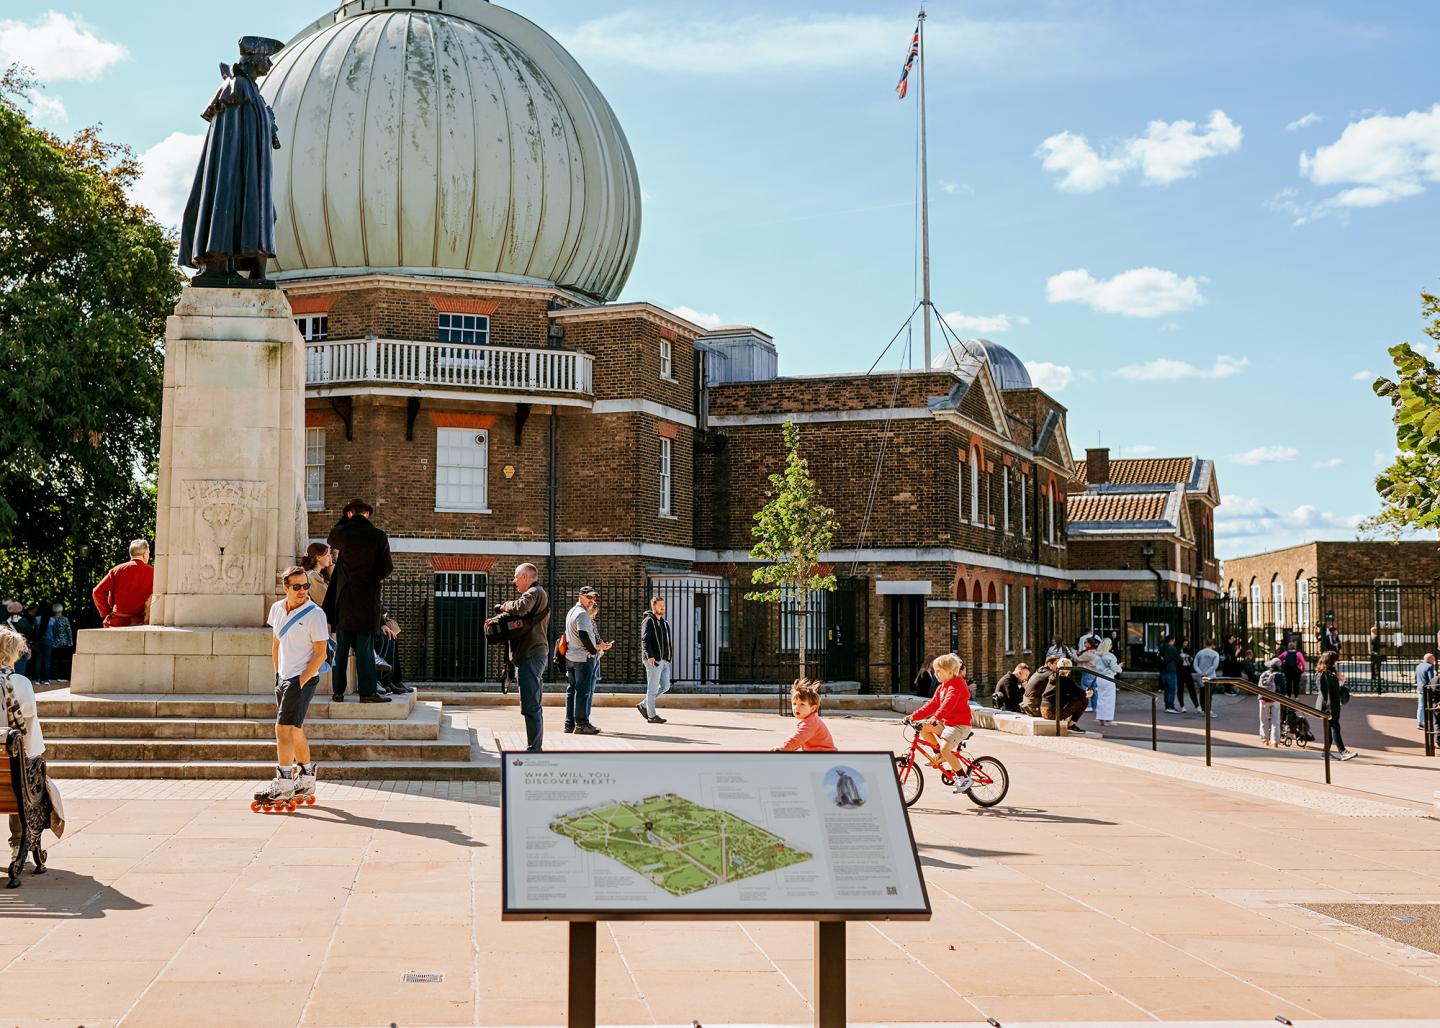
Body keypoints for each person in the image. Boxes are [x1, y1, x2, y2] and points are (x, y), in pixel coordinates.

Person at [253, 566, 331, 808]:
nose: (302, 591)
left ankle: (284, 781)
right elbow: (276, 644)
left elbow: (321, 653)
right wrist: (278, 675)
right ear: (285, 587)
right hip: (284, 677)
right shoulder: (277, 609)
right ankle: (306, 776)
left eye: (305, 586)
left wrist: (300, 680)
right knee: (294, 729)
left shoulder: (315, 614)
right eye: (297, 587)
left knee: (281, 728)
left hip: (302, 678)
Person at [1, 625, 62, 886]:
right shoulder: (20, 684)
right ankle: (20, 847)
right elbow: (30, 732)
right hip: (12, 770)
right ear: (12, 654)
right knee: (27, 781)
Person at [324, 499, 393, 704]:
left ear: (349, 515)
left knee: (341, 650)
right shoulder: (378, 536)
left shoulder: (343, 534)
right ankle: (367, 692)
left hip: (345, 601)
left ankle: (338, 692)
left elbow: (332, 537)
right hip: (366, 599)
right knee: (365, 650)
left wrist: (345, 520)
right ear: (367, 514)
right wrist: (372, 577)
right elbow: (386, 568)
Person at [497, 563, 550, 751]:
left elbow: (520, 607)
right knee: (531, 703)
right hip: (532, 654)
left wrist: (503, 606)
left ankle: (534, 749)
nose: (514, 581)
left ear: (526, 576)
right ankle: (534, 747)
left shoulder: (534, 592)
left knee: (531, 705)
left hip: (531, 655)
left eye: (516, 577)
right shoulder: (538, 593)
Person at [904, 653, 973, 792]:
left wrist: (936, 717)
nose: (936, 674)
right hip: (947, 724)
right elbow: (931, 705)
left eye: (939, 671)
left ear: (949, 672)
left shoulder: (957, 685)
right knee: (923, 727)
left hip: (959, 725)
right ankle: (939, 755)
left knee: (945, 749)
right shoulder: (942, 687)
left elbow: (948, 704)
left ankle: (963, 778)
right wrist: (913, 717)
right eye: (935, 671)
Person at [563, 587, 610, 735]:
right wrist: (592, 650)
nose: (592, 600)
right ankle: (581, 724)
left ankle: (569, 724)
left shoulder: (572, 611)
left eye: (594, 598)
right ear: (581, 596)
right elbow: (583, 634)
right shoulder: (582, 614)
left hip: (571, 657)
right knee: (583, 692)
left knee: (572, 690)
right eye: (589, 597)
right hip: (582, 659)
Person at [92, 539, 154, 628]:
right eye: (148, 553)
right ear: (144, 554)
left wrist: (106, 612)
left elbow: (97, 591)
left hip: (117, 623)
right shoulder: (153, 572)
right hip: (141, 623)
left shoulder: (116, 570)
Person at [638, 596, 672, 725]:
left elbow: (666, 642)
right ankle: (652, 715)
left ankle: (643, 704)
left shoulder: (663, 622)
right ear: (654, 606)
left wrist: (668, 657)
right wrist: (649, 655)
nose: (662, 607)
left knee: (665, 686)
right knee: (652, 689)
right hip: (653, 660)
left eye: (664, 605)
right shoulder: (648, 621)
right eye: (659, 605)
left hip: (663, 660)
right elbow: (645, 640)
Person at [775, 679, 837, 751]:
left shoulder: (811, 722)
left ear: (813, 708)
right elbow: (800, 741)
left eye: (802, 704)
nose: (797, 708)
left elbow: (798, 738)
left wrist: (783, 748)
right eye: (794, 704)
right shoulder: (811, 719)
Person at [1316, 649, 1356, 760]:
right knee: (1335, 727)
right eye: (1335, 660)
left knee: (1330, 730)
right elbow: (1325, 693)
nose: (1337, 662)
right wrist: (1329, 708)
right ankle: (1343, 751)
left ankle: (1325, 753)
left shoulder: (1332, 673)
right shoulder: (1324, 674)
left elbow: (1336, 688)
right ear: (1330, 661)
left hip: (1333, 705)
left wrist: (1341, 680)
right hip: (1329, 706)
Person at [1042, 657, 1091, 733]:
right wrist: (1088, 693)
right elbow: (1081, 694)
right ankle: (1071, 724)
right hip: (1053, 713)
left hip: (1043, 711)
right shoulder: (1066, 680)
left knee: (1072, 698)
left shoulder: (1052, 677)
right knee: (1084, 700)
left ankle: (1068, 722)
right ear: (1069, 669)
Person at [1257, 657, 1285, 747]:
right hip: (1275, 699)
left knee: (1263, 720)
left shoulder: (1265, 674)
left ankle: (1265, 739)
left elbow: (1259, 687)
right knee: (1276, 720)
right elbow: (1284, 689)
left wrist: (1260, 697)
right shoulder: (1280, 675)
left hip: (1264, 699)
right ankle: (1275, 741)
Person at [1092, 640, 1121, 726]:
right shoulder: (1110, 656)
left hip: (1099, 678)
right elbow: (1115, 668)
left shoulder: (1096, 656)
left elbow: (1095, 666)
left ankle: (1100, 718)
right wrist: (1120, 668)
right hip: (1108, 678)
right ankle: (1108, 720)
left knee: (1100, 698)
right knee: (1109, 699)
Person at [43, 604, 73, 683]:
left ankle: (52, 677)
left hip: (53, 643)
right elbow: (69, 630)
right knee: (60, 660)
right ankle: (60, 676)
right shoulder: (65, 619)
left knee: (52, 660)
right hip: (63, 643)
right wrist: (70, 641)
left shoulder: (51, 619)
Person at [3, 601, 31, 676]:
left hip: (8, 650)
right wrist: (30, 648)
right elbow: (30, 636)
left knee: (9, 672)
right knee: (20, 673)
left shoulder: (4, 622)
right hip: (22, 648)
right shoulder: (25, 622)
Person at [1177, 637, 1201, 713]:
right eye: (1184, 643)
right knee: (1180, 689)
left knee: (1191, 688)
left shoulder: (1187, 649)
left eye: (1186, 643)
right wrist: (1181, 657)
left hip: (1187, 670)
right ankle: (1182, 706)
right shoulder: (1177, 649)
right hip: (1180, 670)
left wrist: (1190, 658)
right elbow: (1177, 659)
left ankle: (1197, 705)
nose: (1185, 645)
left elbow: (1191, 658)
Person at [1159, 635, 1181, 714]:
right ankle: (1170, 706)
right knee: (1172, 689)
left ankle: (1167, 706)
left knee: (1166, 690)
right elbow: (1178, 659)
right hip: (1171, 671)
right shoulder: (1172, 648)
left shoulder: (1161, 647)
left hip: (1163, 671)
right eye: (1174, 641)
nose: (1174, 642)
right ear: (1171, 640)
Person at [1415, 653, 1436, 730]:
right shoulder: (1430, 666)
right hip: (1427, 689)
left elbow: (1416, 677)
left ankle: (1420, 722)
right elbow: (1432, 679)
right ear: (1430, 659)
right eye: (1433, 659)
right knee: (1431, 705)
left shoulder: (1418, 666)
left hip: (1420, 688)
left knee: (1421, 705)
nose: (1434, 661)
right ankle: (1432, 722)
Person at [1369, 626, 1385, 691]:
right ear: (1372, 631)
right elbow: (1378, 645)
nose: (1376, 631)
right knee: (1377, 665)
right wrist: (1386, 645)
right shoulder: (1375, 637)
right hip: (1375, 653)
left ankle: (1374, 676)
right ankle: (1376, 675)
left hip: (1373, 652)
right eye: (1375, 630)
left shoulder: (1371, 637)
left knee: (1374, 664)